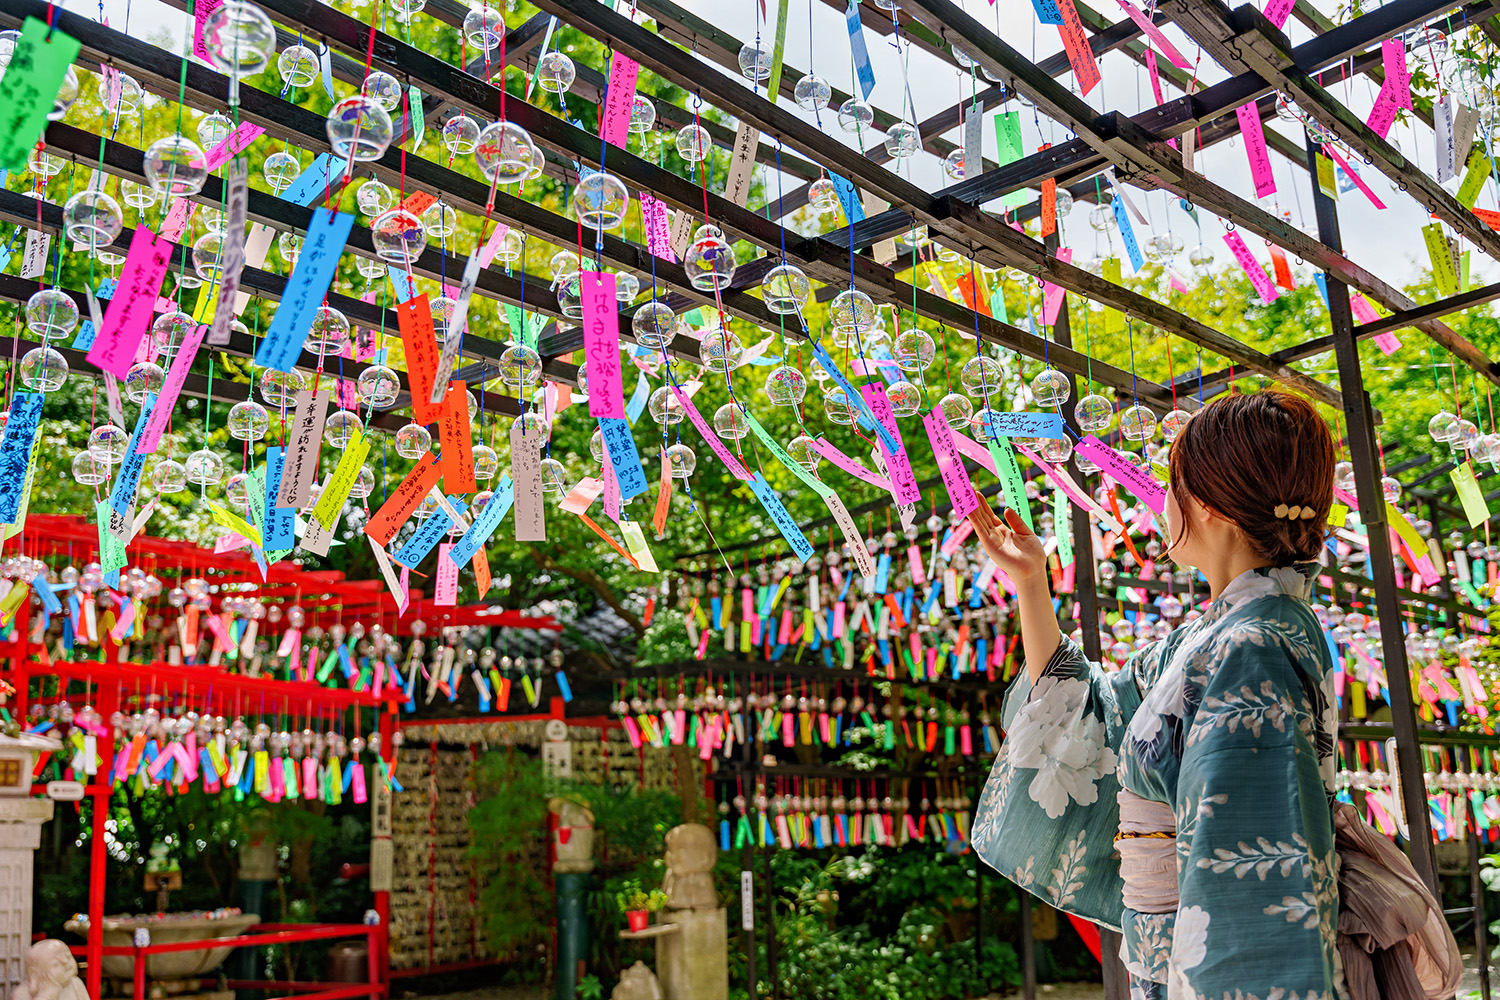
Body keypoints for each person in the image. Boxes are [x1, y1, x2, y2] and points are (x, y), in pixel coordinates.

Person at [969, 391, 1346, 999]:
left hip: (1206, 961)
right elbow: (1092, 714)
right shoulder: (1221, 634)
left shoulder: (1252, 643)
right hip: (1169, 946)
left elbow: (1251, 865)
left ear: (1209, 506)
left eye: (1171, 487)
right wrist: (1031, 585)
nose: (1162, 504)